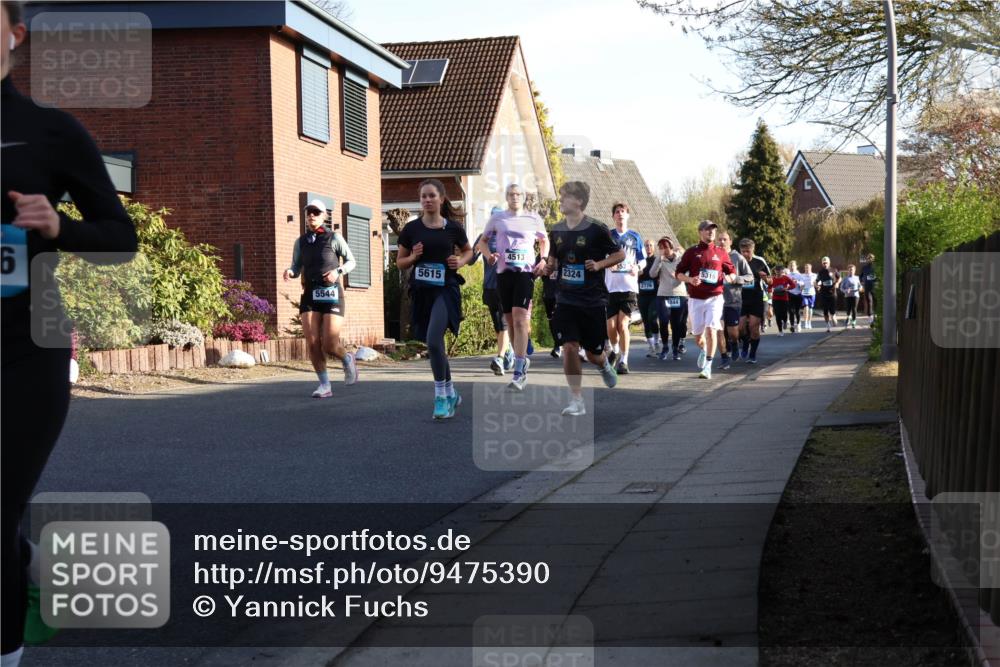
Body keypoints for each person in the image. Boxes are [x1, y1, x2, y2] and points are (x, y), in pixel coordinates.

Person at [2, 2, 139, 662]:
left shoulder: (49, 132)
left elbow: (121, 237)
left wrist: (59, 229)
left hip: (28, 349)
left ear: (14, 35)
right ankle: (33, 565)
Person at [395, 179, 473, 420]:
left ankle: (440, 396)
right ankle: (450, 392)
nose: (427, 200)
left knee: (433, 339)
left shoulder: (453, 228)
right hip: (422, 291)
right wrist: (414, 257)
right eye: (423, 197)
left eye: (431, 196)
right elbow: (400, 262)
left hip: (446, 289)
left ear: (441, 199)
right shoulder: (411, 229)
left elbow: (469, 251)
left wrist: (459, 261)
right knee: (435, 344)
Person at [543, 181, 623, 416]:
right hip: (566, 299)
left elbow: (620, 253)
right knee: (569, 347)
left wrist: (599, 264)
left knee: (592, 354)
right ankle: (576, 400)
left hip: (593, 300)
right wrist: (547, 268)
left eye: (564, 197)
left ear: (578, 201)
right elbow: (553, 260)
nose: (560, 201)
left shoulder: (597, 229)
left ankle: (604, 363)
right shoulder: (556, 229)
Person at [283, 200, 359, 397]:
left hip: (332, 293)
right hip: (310, 294)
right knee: (313, 342)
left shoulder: (334, 238)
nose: (311, 216)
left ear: (324, 215)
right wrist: (290, 272)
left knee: (330, 344)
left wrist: (338, 271)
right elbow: (296, 266)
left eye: (316, 212)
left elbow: (352, 261)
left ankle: (347, 358)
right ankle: (325, 385)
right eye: (309, 212)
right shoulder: (301, 242)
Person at [476, 184, 548, 391]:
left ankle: (518, 370)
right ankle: (521, 358)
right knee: (509, 320)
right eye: (511, 194)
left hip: (525, 273)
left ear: (524, 197)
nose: (515, 197)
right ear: (507, 197)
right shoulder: (498, 218)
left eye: (518, 194)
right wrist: (489, 256)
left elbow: (544, 241)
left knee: (519, 318)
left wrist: (542, 259)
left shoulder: (533, 218)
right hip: (503, 274)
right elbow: (482, 242)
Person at [674, 221, 736, 380]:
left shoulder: (721, 252)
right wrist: (689, 279)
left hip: (715, 298)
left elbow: (732, 271)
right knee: (698, 336)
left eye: (713, 229)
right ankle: (703, 350)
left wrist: (731, 277)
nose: (711, 232)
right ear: (700, 232)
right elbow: (678, 273)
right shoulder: (691, 252)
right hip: (696, 299)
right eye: (708, 229)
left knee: (711, 329)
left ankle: (708, 366)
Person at [604, 202, 643, 375]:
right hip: (611, 288)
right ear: (613, 217)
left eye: (623, 212)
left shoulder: (635, 237)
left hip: (628, 287)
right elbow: (599, 257)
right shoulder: (608, 236)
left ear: (627, 215)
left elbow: (643, 259)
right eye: (617, 212)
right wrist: (607, 264)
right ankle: (614, 350)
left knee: (623, 324)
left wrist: (638, 267)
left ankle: (624, 360)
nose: (620, 214)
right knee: (611, 327)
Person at [475, 208, 514, 376]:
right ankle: (509, 350)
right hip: (489, 287)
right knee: (498, 326)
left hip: (505, 286)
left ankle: (499, 358)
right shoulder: (483, 238)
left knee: (503, 324)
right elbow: (470, 260)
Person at [716, 230, 753, 370]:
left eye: (725, 239)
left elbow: (750, 276)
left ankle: (735, 343)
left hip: (733, 299)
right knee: (718, 330)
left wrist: (736, 279)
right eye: (719, 239)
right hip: (716, 299)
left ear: (730, 241)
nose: (722, 242)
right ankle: (724, 358)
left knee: (733, 332)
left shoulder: (737, 257)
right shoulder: (714, 256)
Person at [649, 237, 689, 361]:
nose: (664, 250)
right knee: (664, 321)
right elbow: (652, 274)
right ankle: (665, 347)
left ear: (671, 247)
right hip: (663, 295)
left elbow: (688, 274)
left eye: (666, 247)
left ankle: (675, 348)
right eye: (661, 248)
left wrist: (678, 276)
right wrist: (659, 260)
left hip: (679, 294)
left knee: (676, 324)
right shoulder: (659, 259)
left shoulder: (681, 258)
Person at [737, 239, 771, 364]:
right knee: (740, 328)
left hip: (756, 297)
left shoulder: (759, 261)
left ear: (753, 250)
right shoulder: (737, 262)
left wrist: (765, 278)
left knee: (753, 327)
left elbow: (770, 281)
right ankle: (745, 343)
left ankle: (752, 354)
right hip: (740, 298)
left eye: (748, 251)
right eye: (743, 251)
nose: (745, 254)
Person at [637, 238, 660, 357]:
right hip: (642, 295)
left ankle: (657, 342)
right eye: (646, 246)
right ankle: (651, 347)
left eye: (651, 245)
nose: (648, 248)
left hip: (654, 295)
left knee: (652, 318)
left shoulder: (657, 261)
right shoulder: (639, 262)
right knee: (646, 321)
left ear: (654, 247)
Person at [815, 256, 841, 332]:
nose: (825, 264)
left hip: (832, 293)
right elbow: (816, 281)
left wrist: (837, 283)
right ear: (822, 264)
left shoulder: (834, 270)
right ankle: (828, 326)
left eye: (826, 263)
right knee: (825, 311)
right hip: (823, 294)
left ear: (829, 263)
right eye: (823, 263)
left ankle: (833, 316)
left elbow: (839, 278)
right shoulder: (820, 272)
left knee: (832, 311)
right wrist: (817, 286)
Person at [770, 265, 797, 336]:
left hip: (784, 298)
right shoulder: (773, 279)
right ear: (775, 271)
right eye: (777, 270)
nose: (778, 272)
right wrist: (770, 291)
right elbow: (769, 287)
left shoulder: (786, 278)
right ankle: (780, 331)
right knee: (777, 315)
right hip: (775, 299)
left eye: (780, 270)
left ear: (782, 271)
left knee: (784, 313)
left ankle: (785, 321)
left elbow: (793, 285)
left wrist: (787, 289)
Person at [839, 264, 862, 328]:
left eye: (852, 270)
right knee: (848, 309)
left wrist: (860, 288)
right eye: (849, 270)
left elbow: (860, 285)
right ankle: (848, 317)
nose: (851, 271)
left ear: (854, 270)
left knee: (854, 308)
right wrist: (846, 290)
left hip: (855, 295)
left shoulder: (857, 278)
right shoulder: (845, 278)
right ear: (848, 271)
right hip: (848, 296)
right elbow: (841, 288)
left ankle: (854, 321)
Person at [787, 260, 804, 332]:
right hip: (790, 294)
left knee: (797, 311)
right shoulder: (788, 275)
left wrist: (798, 282)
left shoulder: (799, 275)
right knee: (791, 311)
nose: (792, 267)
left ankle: (798, 324)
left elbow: (803, 284)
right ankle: (792, 325)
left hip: (798, 294)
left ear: (796, 266)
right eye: (791, 266)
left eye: (793, 265)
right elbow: (785, 284)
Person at [860, 253, 877, 327]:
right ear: (867, 259)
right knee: (869, 303)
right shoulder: (864, 268)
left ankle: (875, 319)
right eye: (868, 258)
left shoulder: (876, 267)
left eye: (871, 258)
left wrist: (878, 281)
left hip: (876, 288)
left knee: (876, 304)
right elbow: (860, 277)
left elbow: (880, 276)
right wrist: (862, 283)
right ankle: (871, 320)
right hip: (867, 288)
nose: (870, 259)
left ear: (873, 259)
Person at [799, 262, 817, 329]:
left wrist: (816, 284)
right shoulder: (802, 275)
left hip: (812, 293)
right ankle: (805, 322)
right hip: (804, 293)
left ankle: (809, 322)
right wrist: (801, 286)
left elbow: (818, 283)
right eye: (806, 268)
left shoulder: (814, 275)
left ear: (811, 268)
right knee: (805, 307)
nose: (807, 269)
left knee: (810, 308)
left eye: (808, 268)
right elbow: (800, 284)